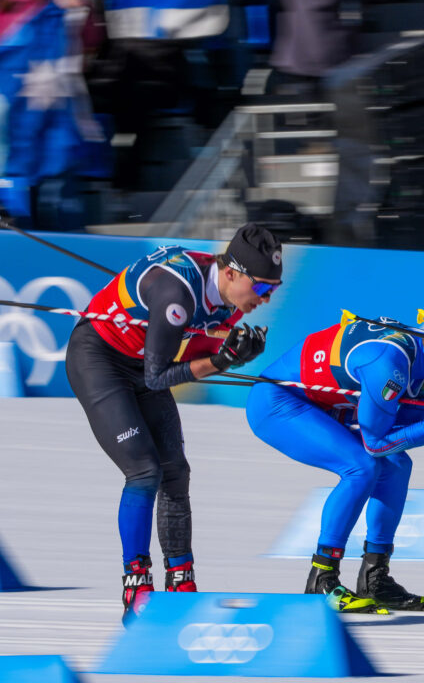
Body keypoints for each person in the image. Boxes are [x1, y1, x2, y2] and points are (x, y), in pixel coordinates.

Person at [65, 224, 282, 619]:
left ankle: (181, 577)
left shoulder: (230, 299)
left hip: (142, 362)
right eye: (262, 288)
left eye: (274, 290)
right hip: (99, 360)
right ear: (231, 272)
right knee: (144, 471)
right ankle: (136, 583)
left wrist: (226, 353)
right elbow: (158, 377)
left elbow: (181, 359)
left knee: (176, 472)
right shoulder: (176, 294)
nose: (266, 299)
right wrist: (222, 361)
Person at [245, 309, 424, 613]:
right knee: (360, 467)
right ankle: (322, 578)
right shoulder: (389, 364)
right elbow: (375, 445)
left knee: (398, 466)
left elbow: (398, 435)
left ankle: (375, 578)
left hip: (325, 404)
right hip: (278, 401)